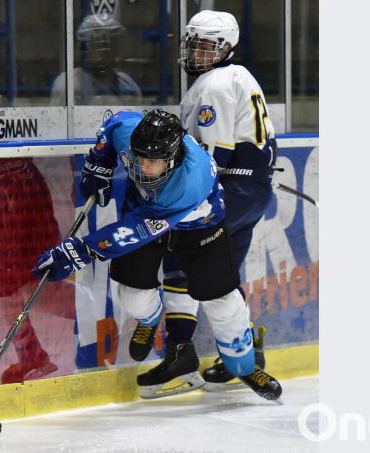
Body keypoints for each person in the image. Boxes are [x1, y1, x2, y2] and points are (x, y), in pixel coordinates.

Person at [32, 109, 281, 400]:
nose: (142, 166)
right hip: (143, 209)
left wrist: (80, 250)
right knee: (132, 295)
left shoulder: (188, 183)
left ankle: (243, 366)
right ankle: (149, 319)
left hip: (199, 223)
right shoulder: (130, 133)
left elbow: (137, 230)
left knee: (222, 301)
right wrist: (98, 165)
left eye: (153, 161)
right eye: (138, 158)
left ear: (173, 159)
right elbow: (114, 124)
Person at [128, 10, 282, 393]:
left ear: (227, 47)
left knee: (181, 255)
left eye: (206, 46)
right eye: (193, 44)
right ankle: (245, 354)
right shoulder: (237, 76)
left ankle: (181, 353)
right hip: (251, 191)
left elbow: (213, 157)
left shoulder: (213, 85)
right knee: (220, 274)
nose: (197, 52)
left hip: (231, 190)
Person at [50, 13, 142, 106]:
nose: (106, 50)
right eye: (98, 44)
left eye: (113, 43)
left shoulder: (128, 84)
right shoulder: (68, 84)